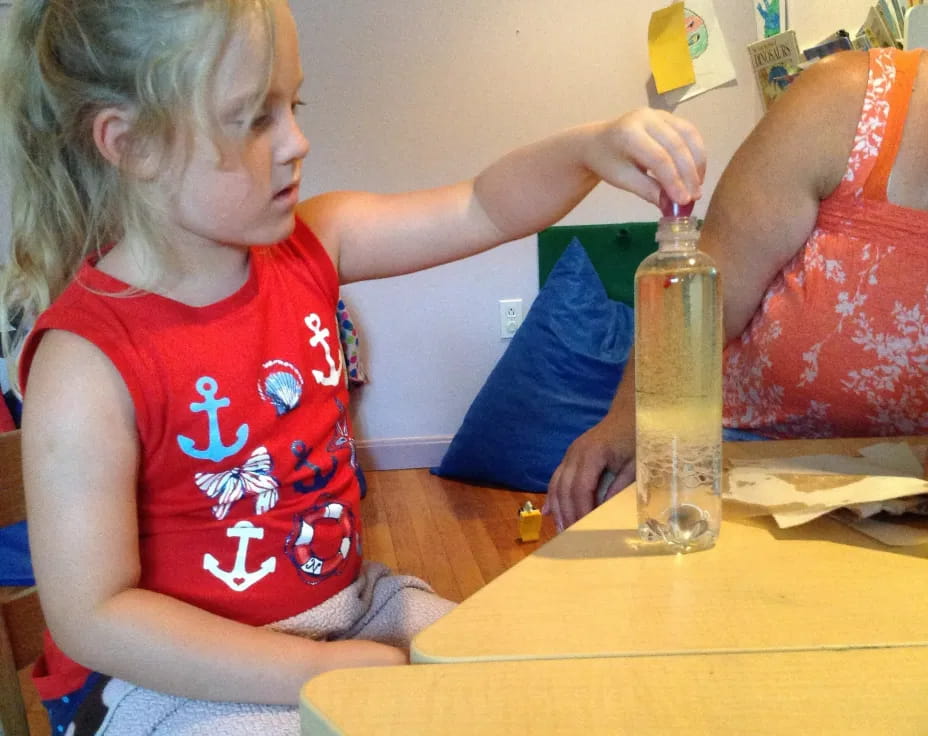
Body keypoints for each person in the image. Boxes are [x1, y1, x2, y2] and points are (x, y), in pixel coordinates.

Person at [0, 0, 705, 733]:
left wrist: (588, 147)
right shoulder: (86, 363)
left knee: (530, 685)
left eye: (293, 104)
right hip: (178, 682)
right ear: (132, 144)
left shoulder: (313, 243)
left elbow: (481, 207)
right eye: (254, 118)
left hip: (349, 611)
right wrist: (318, 672)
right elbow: (94, 616)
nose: (298, 141)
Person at [547, 45, 928, 533]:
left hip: (909, 494)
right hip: (740, 461)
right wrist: (631, 423)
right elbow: (706, 302)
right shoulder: (845, 102)